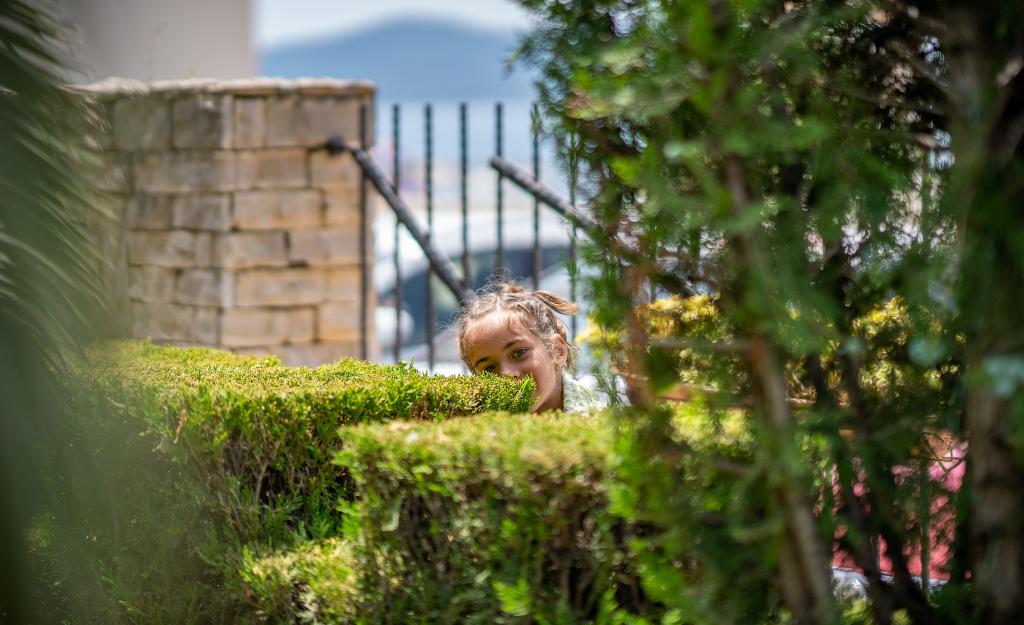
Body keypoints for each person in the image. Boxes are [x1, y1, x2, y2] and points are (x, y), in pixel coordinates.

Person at [457, 282, 606, 413]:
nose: (507, 375)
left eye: (519, 353)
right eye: (489, 368)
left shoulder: (600, 418)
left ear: (557, 351)